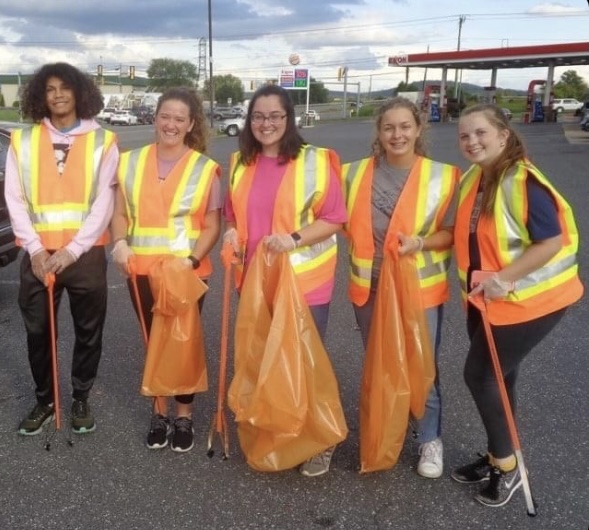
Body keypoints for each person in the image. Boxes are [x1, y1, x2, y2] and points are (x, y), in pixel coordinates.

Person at [451, 104, 583, 507]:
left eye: (481, 133)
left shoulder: (521, 181)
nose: (472, 142)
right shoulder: (478, 175)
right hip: (487, 299)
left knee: (480, 376)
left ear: (503, 136)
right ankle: (498, 454)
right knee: (500, 377)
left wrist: (505, 279)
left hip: (529, 300)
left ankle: (506, 467)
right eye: (464, 136)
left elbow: (551, 241)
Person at [223, 84, 347, 476]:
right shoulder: (240, 162)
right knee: (263, 360)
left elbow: (334, 219)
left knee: (305, 362)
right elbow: (233, 214)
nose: (266, 123)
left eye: (275, 116)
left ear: (289, 119)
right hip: (256, 281)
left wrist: (292, 239)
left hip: (304, 281)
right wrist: (230, 231)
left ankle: (322, 439)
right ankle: (281, 431)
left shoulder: (316, 160)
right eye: (258, 116)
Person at [342, 97, 461, 478]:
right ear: (378, 132)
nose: (397, 134)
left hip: (418, 291)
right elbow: (323, 212)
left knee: (420, 367)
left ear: (418, 128)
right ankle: (388, 427)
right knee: (382, 366)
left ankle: (429, 437)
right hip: (370, 288)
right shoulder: (353, 174)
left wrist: (421, 243)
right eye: (389, 127)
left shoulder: (442, 176)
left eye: (405, 126)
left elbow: (450, 232)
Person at [5, 62, 119, 435]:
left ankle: (80, 395)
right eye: (50, 88)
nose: (57, 94)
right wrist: (36, 250)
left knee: (89, 331)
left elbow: (104, 202)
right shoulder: (22, 141)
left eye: (64, 87)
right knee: (39, 333)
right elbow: (15, 199)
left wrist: (73, 250)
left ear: (79, 92)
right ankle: (44, 400)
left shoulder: (104, 141)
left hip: (84, 256)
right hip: (38, 257)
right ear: (41, 95)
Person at [111, 87, 221, 452]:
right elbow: (120, 212)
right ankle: (159, 411)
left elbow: (211, 224)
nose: (170, 124)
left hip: (185, 271)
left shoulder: (204, 169)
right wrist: (120, 242)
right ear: (154, 117)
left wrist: (190, 262)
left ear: (191, 124)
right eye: (165, 116)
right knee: (152, 340)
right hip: (139, 267)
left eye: (179, 119)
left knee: (183, 343)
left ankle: (184, 415)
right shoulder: (129, 162)